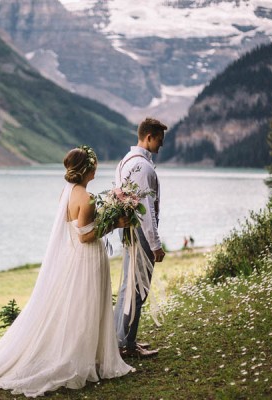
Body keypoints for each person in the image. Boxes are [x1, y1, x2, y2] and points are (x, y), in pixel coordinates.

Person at [0, 146, 133, 397]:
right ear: (88, 169)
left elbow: (74, 229)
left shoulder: (66, 194)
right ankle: (83, 359)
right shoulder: (86, 199)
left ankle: (90, 355)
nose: (96, 169)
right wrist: (114, 223)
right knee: (86, 306)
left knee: (76, 306)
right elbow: (85, 236)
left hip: (71, 259)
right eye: (95, 166)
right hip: (86, 259)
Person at [114, 117, 167, 358]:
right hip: (141, 235)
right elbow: (146, 212)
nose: (161, 145)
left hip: (130, 234)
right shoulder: (143, 168)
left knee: (129, 287)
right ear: (148, 137)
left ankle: (124, 339)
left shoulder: (125, 162)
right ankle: (126, 345)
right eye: (159, 140)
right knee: (137, 289)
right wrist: (156, 245)